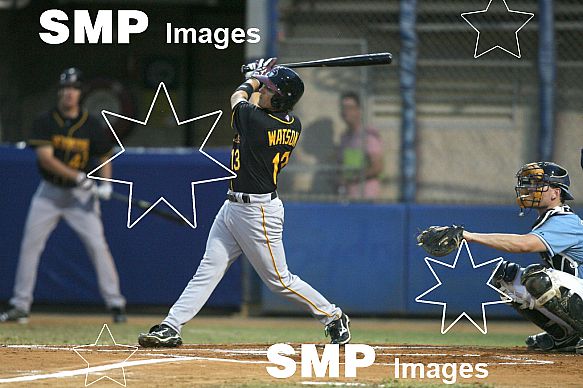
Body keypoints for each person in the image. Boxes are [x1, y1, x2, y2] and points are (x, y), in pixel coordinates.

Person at [138, 59, 351, 348]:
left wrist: (252, 78)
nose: (263, 91)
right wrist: (262, 78)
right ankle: (171, 325)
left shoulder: (258, 122)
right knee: (208, 269)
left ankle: (333, 316)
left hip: (257, 213)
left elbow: (238, 97)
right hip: (233, 207)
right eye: (264, 88)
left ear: (279, 99)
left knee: (280, 280)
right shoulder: (289, 122)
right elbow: (252, 103)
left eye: (269, 89)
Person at [0, 68, 126, 323]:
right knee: (30, 246)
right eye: (66, 88)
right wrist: (78, 176)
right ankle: (20, 305)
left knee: (97, 247)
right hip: (50, 193)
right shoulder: (45, 121)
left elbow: (105, 154)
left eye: (75, 88)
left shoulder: (90, 124)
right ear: (60, 92)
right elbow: (46, 160)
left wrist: (106, 184)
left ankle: (116, 305)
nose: (70, 93)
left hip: (81, 197)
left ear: (80, 93)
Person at [462, 162, 583, 353]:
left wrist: (468, 236)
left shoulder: (565, 220)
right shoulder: (550, 218)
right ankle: (565, 336)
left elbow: (524, 244)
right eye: (530, 183)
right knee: (506, 277)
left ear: (556, 193)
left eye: (538, 184)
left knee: (539, 280)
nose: (530, 189)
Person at [338, 92, 383, 200]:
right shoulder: (345, 137)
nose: (345, 112)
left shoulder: (368, 135)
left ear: (359, 110)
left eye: (349, 108)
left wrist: (353, 178)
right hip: (348, 195)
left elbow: (377, 167)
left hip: (365, 196)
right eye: (343, 108)